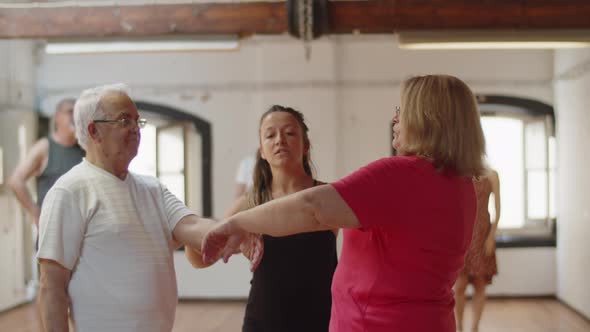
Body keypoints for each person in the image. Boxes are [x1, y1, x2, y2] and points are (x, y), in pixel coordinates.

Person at [202, 74, 487, 332]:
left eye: (402, 110)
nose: (396, 119)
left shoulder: (399, 175)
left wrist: (237, 222)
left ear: (426, 118)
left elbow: (312, 208)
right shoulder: (462, 185)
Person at [36, 84, 260, 332]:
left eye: (136, 121)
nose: (135, 129)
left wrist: (240, 232)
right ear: (94, 130)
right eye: (124, 120)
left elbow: (193, 226)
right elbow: (51, 287)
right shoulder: (69, 192)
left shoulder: (152, 189)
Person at [188, 105, 337, 332]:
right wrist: (193, 231)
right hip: (265, 320)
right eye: (270, 135)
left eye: (289, 133)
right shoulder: (250, 203)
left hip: (322, 318)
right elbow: (199, 259)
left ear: (306, 146)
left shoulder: (329, 196)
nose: (279, 140)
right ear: (262, 152)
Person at [8, 98, 84, 229]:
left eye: (77, 112)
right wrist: (35, 212)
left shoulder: (86, 148)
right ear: (57, 117)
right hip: (52, 228)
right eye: (70, 112)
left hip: (80, 227)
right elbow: (15, 181)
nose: (74, 117)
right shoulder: (44, 147)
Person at [454, 169, 501, 332]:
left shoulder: (492, 175)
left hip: (482, 235)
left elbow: (498, 210)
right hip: (463, 234)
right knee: (460, 285)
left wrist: (491, 237)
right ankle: (459, 327)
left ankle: (475, 328)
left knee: (480, 284)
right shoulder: (459, 173)